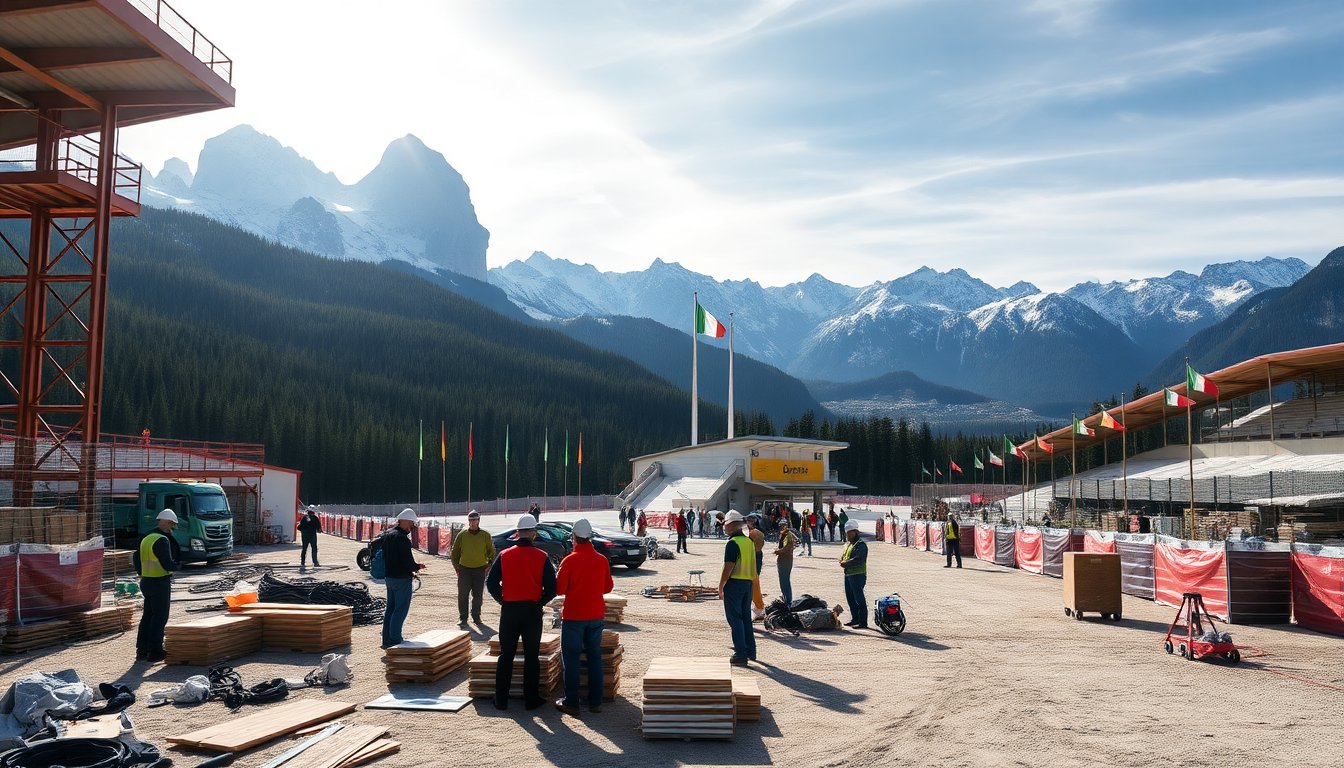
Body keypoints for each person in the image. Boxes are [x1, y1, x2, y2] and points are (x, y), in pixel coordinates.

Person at [487, 513, 557, 710]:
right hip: (532, 611)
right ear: (533, 533)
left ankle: (501, 699)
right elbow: (552, 588)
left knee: (506, 655)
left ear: (517, 533)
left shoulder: (504, 555)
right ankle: (531, 699)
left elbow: (491, 583)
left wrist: (502, 599)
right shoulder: (542, 557)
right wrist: (540, 601)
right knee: (531, 656)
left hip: (509, 610)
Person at [554, 518, 613, 717]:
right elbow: (608, 587)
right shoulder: (601, 560)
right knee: (594, 657)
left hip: (574, 616)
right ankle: (595, 702)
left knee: (571, 660)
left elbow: (560, 589)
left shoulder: (569, 560)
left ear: (574, 538)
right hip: (595, 615)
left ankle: (572, 702)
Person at [134, 509, 181, 662]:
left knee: (147, 617)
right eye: (172, 525)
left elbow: (136, 558)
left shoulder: (146, 538)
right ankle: (155, 652)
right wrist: (178, 566)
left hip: (146, 582)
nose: (171, 528)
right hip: (160, 582)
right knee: (160, 618)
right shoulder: (162, 540)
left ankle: (141, 651)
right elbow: (167, 563)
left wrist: (142, 573)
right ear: (167, 522)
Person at [382, 508, 425, 648]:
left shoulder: (387, 535)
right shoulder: (403, 539)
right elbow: (407, 562)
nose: (412, 526)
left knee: (390, 609)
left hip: (389, 577)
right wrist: (417, 567)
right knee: (400, 610)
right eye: (411, 523)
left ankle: (386, 639)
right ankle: (395, 640)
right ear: (405, 521)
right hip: (401, 579)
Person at [717, 511, 755, 666]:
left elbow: (728, 567)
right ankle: (750, 650)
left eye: (725, 524)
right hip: (748, 584)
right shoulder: (748, 542)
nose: (724, 527)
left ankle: (740, 654)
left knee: (736, 619)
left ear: (732, 525)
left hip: (734, 584)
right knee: (746, 618)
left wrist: (721, 586)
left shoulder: (732, 543)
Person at [452, 509, 496, 628]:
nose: (473, 522)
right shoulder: (462, 535)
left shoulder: (485, 535)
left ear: (478, 521)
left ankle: (476, 617)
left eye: (475, 520)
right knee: (463, 595)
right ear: (468, 521)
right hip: (464, 569)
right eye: (471, 520)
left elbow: (491, 551)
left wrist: (488, 564)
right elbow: (455, 552)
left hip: (479, 570)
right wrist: (456, 567)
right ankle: (463, 618)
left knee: (477, 595)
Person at [840, 520, 869, 629]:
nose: (847, 536)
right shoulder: (849, 545)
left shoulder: (861, 545)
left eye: (849, 533)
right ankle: (855, 618)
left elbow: (859, 560)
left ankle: (863, 622)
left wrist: (845, 563)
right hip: (848, 575)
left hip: (858, 575)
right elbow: (846, 556)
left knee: (859, 598)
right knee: (850, 598)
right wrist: (843, 560)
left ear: (855, 532)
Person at [746, 514, 767, 620]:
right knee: (755, 581)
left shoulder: (752, 533)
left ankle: (758, 606)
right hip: (758, 556)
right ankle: (758, 606)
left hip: (753, 557)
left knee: (753, 583)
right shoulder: (760, 532)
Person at [774, 519, 796, 605]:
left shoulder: (787, 535)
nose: (781, 528)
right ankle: (785, 597)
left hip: (785, 561)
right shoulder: (784, 534)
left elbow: (787, 548)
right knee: (783, 580)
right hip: (783, 560)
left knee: (785, 581)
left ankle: (788, 599)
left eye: (782, 526)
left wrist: (778, 551)